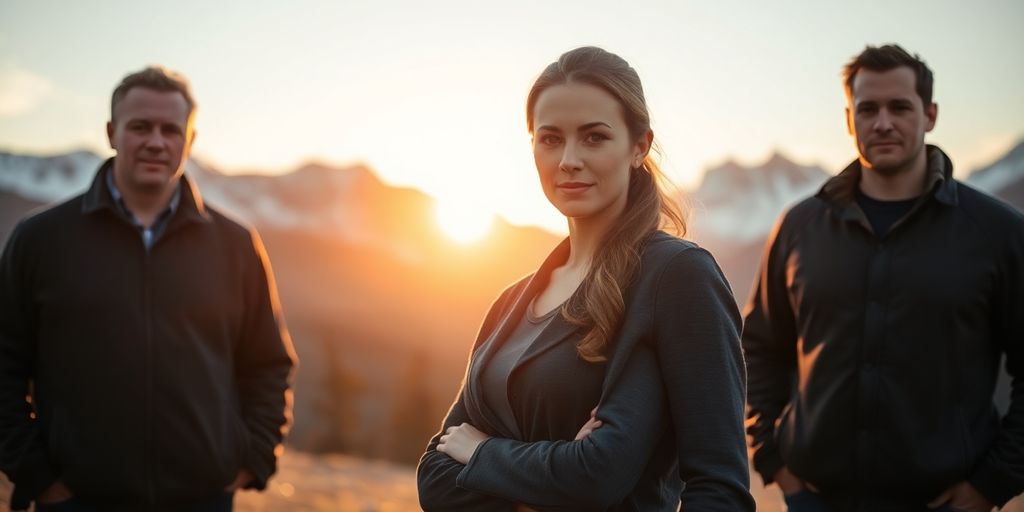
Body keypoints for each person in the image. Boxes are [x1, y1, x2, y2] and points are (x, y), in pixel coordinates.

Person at [416, 46, 754, 511]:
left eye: (594, 138)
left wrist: (482, 453)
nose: (568, 159)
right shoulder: (511, 301)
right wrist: (556, 476)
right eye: (550, 139)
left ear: (639, 146)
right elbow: (434, 478)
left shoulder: (677, 277)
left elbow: (718, 486)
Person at [0, 66, 298, 511]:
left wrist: (251, 461)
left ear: (190, 142)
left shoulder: (235, 244)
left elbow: (269, 364)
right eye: (140, 127)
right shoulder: (41, 239)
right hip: (75, 501)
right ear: (112, 132)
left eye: (170, 130)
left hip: (202, 501)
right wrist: (38, 477)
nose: (156, 141)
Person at [743, 44, 1024, 512]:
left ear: (930, 114)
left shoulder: (998, 232)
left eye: (900, 107)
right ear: (850, 120)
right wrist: (774, 461)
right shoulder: (798, 228)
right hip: (814, 500)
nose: (883, 122)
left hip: (948, 501)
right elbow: (759, 347)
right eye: (867, 109)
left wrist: (993, 483)